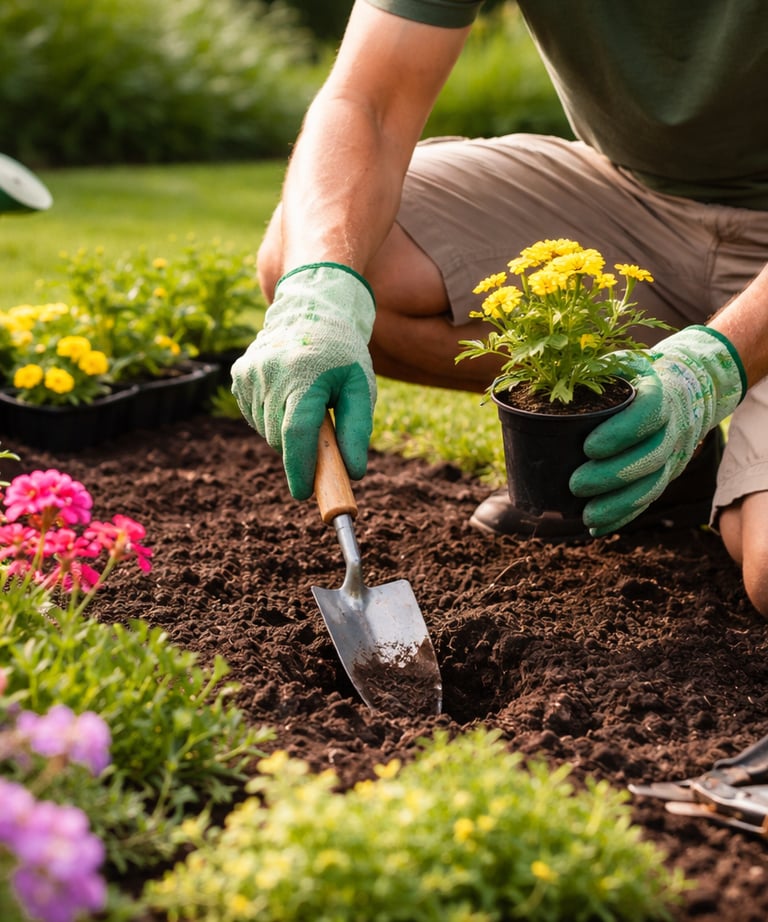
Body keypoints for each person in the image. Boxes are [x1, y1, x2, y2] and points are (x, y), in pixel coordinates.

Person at [232, 0, 768, 617]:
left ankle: (678, 411)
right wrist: (317, 286)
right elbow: (368, 101)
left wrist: (712, 368)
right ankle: (638, 447)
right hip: (630, 195)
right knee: (323, 249)